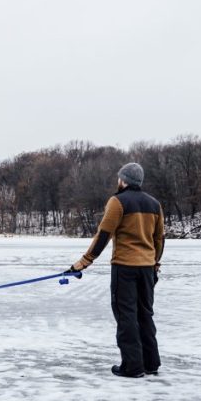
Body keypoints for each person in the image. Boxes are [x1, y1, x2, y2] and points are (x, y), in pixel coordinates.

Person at [68, 162, 164, 378]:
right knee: (145, 315)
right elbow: (159, 239)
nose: (117, 181)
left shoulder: (117, 201)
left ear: (124, 180)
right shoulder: (154, 204)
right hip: (147, 268)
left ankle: (132, 366)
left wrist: (83, 263)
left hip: (125, 267)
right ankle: (151, 363)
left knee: (126, 315)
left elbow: (103, 235)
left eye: (119, 178)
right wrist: (155, 264)